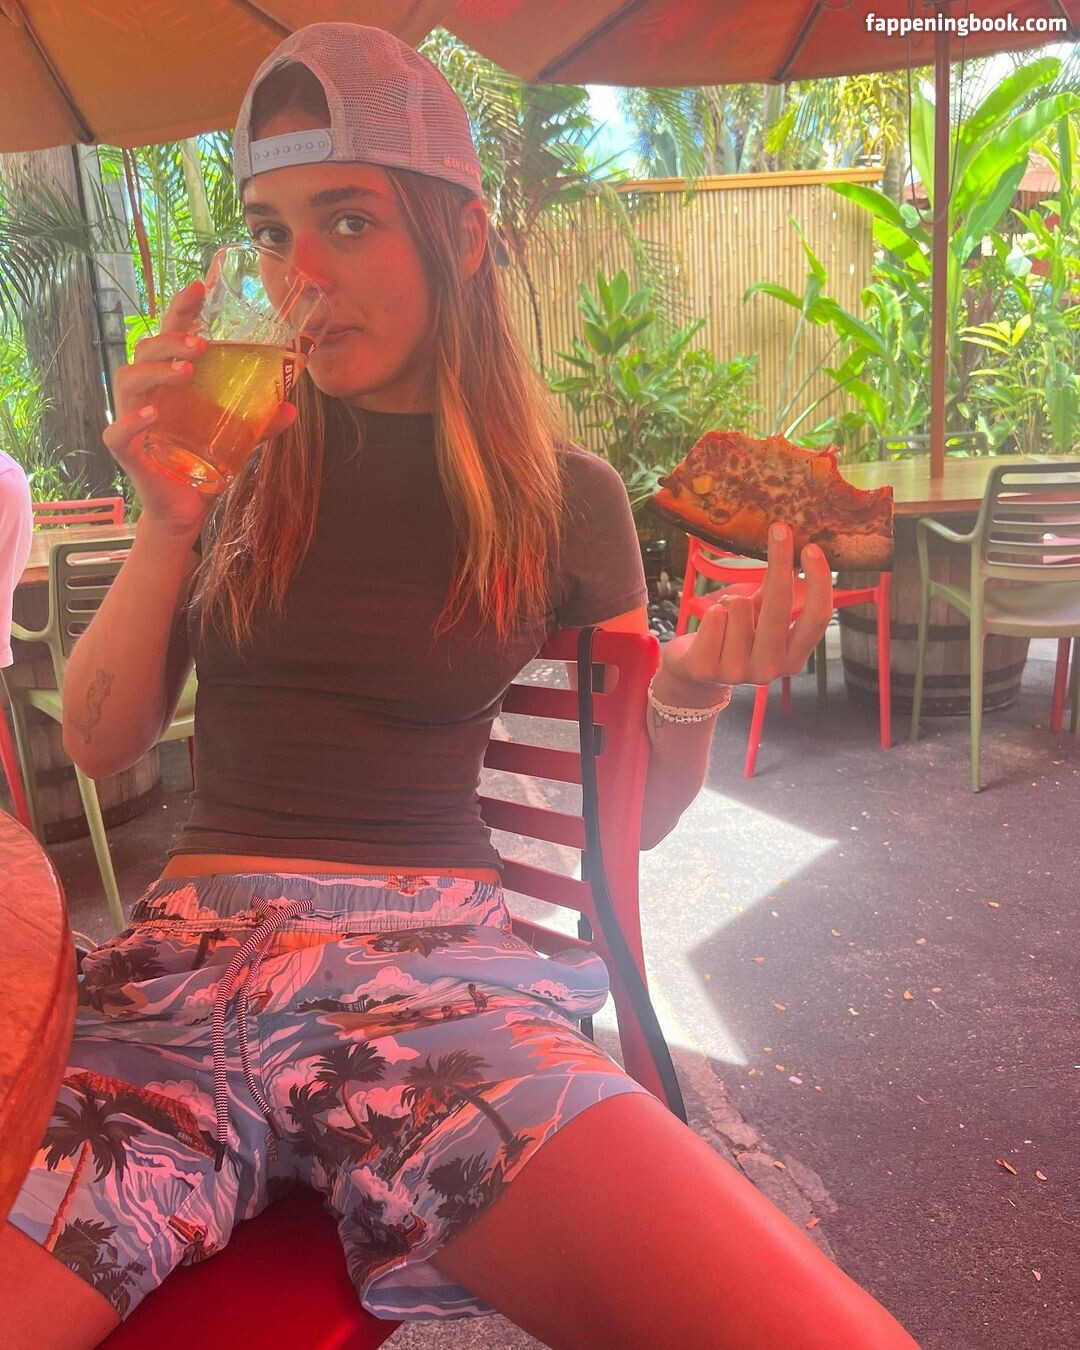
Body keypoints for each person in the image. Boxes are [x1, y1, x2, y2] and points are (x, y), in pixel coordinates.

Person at [1, 25, 918, 1350]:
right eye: (271, 234)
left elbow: (631, 819)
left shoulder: (567, 500)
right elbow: (100, 741)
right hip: (170, 987)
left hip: (434, 987)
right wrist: (169, 519)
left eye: (350, 221)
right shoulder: (238, 459)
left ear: (464, 235)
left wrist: (695, 684)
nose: (302, 277)